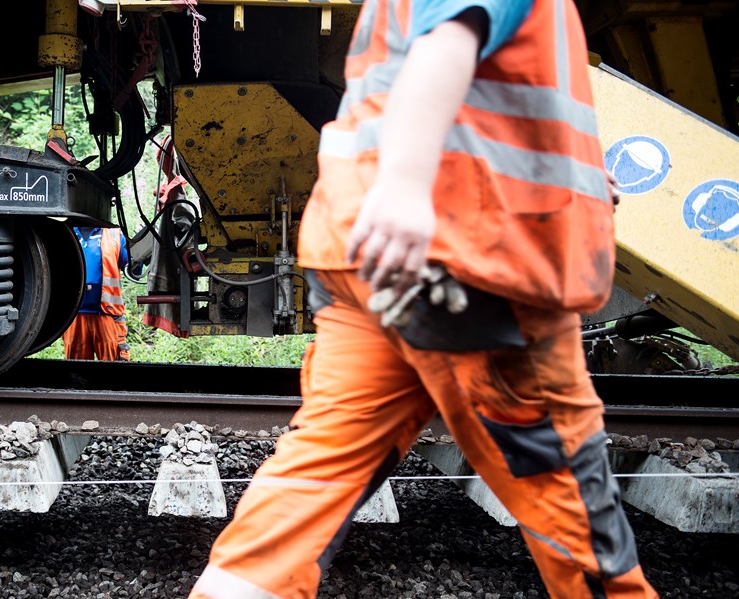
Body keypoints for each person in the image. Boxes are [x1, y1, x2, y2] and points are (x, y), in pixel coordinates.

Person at [190, 1, 658, 598]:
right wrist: (409, 191)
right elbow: (446, 45)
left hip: (362, 255)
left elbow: (474, 96)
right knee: (564, 487)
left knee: (315, 479)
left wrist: (579, 172)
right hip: (474, 259)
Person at [62, 226, 131, 361]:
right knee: (77, 374)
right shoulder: (65, 233)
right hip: (73, 316)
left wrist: (140, 250)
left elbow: (134, 268)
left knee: (112, 369)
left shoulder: (115, 234)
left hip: (107, 314)